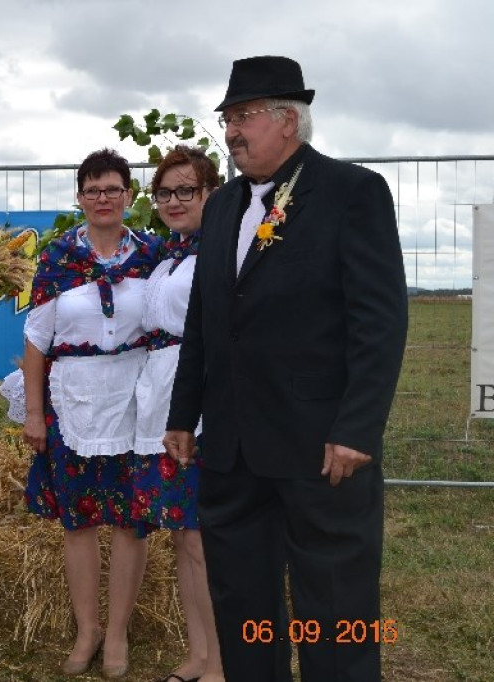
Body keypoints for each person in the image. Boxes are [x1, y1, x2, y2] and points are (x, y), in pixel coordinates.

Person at [163, 56, 408, 682]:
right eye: (227, 119)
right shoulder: (221, 209)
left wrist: (357, 429)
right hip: (233, 446)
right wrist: (183, 413)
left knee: (334, 603)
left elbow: (379, 324)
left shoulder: (352, 193)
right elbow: (204, 320)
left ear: (288, 122)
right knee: (243, 599)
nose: (231, 132)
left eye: (242, 117)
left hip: (320, 446)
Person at [21, 148, 161, 678]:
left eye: (113, 189)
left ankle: (119, 632)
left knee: (130, 523)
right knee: (78, 523)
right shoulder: (58, 257)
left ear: (129, 195)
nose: (103, 198)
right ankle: (88, 630)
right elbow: (36, 339)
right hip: (73, 405)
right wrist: (34, 413)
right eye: (93, 189)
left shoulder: (153, 254)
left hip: (134, 400)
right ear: (79, 197)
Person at [133, 146, 224, 682]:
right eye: (164, 192)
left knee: (202, 538)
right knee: (180, 536)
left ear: (210, 193)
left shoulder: (221, 252)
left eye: (186, 190)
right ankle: (198, 653)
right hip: (160, 396)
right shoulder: (170, 256)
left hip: (200, 400)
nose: (173, 201)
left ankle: (221, 662)